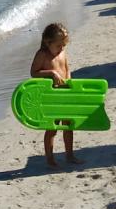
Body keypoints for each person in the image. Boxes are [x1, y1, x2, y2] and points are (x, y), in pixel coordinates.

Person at [30, 23, 81, 168]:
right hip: (51, 96)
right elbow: (33, 73)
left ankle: (70, 155)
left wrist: (70, 84)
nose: (62, 48)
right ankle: (50, 159)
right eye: (59, 45)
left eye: (64, 45)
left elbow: (67, 69)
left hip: (65, 94)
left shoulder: (62, 53)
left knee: (69, 126)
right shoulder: (42, 55)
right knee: (52, 128)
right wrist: (51, 73)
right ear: (48, 42)